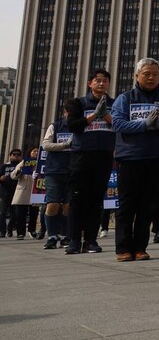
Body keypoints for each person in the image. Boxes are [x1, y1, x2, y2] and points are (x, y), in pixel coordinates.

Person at [111, 58, 159, 262]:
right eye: (147, 74)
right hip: (129, 158)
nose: (151, 78)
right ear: (137, 76)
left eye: (155, 74)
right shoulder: (125, 99)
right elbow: (118, 124)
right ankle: (123, 248)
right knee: (127, 205)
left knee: (148, 206)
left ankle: (141, 247)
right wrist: (144, 125)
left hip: (156, 157)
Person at [65, 69, 116, 255]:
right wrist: (94, 115)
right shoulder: (78, 103)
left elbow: (120, 125)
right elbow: (72, 126)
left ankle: (91, 240)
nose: (101, 84)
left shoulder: (115, 103)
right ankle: (74, 241)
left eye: (105, 81)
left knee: (96, 200)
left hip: (104, 155)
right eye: (97, 80)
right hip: (81, 156)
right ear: (90, 83)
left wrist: (107, 116)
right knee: (78, 198)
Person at [41, 100, 82, 248]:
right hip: (54, 171)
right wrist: (65, 145)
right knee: (52, 204)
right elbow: (45, 145)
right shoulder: (55, 126)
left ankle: (65, 235)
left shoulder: (80, 127)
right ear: (64, 113)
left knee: (67, 205)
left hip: (73, 171)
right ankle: (51, 235)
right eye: (68, 112)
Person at [10, 148, 40, 239]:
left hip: (35, 190)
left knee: (34, 213)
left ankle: (32, 230)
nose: (36, 153)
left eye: (38, 151)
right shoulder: (24, 162)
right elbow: (13, 175)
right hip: (23, 190)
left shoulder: (41, 162)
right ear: (29, 153)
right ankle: (20, 232)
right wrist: (20, 171)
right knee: (21, 214)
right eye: (34, 151)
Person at [1, 149, 23, 237]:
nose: (16, 156)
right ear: (10, 156)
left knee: (15, 214)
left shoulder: (21, 166)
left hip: (16, 193)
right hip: (4, 193)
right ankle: (2, 231)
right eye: (14, 154)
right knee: (2, 213)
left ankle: (10, 229)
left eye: (18, 154)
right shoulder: (4, 166)